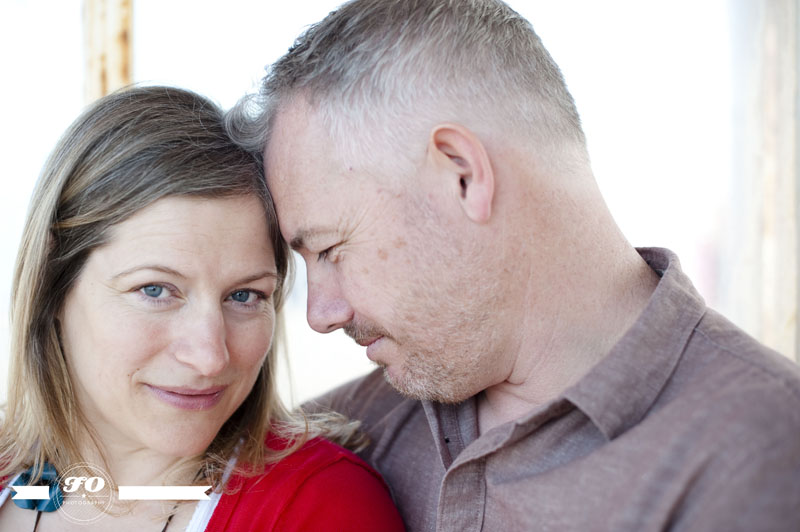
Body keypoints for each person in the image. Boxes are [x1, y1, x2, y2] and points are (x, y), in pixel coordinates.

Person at [225, 0, 800, 530]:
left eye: (328, 249)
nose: (320, 315)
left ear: (462, 176)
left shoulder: (764, 450)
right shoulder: (337, 440)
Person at [0, 86, 405, 532]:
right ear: (52, 285)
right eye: (155, 290)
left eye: (245, 296)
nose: (211, 356)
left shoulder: (318, 509)